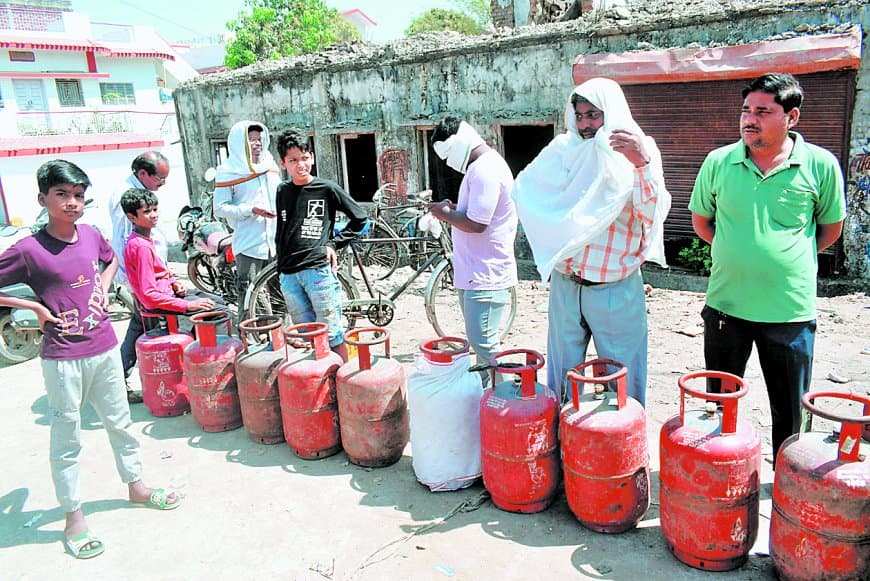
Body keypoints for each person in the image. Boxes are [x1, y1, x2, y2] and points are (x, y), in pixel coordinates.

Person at [0, 160, 180, 560]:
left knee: (121, 424)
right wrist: (32, 307)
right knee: (67, 440)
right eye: (61, 195)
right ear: (42, 199)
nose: (71, 203)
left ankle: (136, 486)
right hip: (63, 357)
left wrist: (100, 284)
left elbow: (110, 257)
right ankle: (73, 517)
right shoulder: (29, 250)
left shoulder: (91, 236)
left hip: (103, 349)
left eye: (78, 196)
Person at [689, 72, 845, 462]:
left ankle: (788, 483)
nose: (749, 119)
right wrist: (738, 250)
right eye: (745, 110)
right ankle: (722, 472)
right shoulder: (719, 162)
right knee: (721, 405)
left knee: (791, 413)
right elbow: (702, 223)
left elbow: (829, 230)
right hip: (727, 307)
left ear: (791, 118)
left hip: (789, 311)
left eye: (762, 111)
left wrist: (782, 257)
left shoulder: (820, 165)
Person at [512, 78, 671, 405]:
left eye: (593, 115)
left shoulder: (640, 151)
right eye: (580, 116)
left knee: (622, 378)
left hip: (614, 288)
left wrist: (641, 165)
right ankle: (563, 445)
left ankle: (625, 451)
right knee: (563, 378)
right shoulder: (562, 152)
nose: (585, 125)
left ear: (611, 112)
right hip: (566, 285)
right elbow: (525, 190)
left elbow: (651, 216)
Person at [428, 115, 518, 370]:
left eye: (445, 157)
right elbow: (475, 213)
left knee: (486, 347)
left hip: (486, 276)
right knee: (481, 346)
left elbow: (478, 224)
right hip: (475, 274)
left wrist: (443, 214)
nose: (447, 164)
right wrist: (453, 209)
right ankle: (489, 399)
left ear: (455, 145)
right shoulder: (480, 168)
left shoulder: (485, 170)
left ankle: (500, 400)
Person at [274, 128, 368, 361]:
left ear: (312, 158)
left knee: (333, 334)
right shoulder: (282, 191)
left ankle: (344, 382)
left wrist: (333, 244)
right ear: (283, 163)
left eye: (305, 158)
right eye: (293, 160)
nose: (300, 165)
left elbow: (360, 219)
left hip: (317, 271)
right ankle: (321, 386)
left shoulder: (326, 189)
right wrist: (281, 267)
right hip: (289, 275)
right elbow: (282, 230)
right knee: (308, 335)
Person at [107, 151, 171, 402]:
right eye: (159, 179)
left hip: (149, 277)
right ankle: (119, 382)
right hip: (141, 280)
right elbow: (126, 241)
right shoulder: (128, 197)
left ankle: (122, 380)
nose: (162, 184)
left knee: (144, 327)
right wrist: (140, 283)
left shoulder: (140, 192)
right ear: (143, 174)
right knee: (143, 329)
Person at [121, 188, 224, 317]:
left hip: (167, 293)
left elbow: (158, 275)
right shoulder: (141, 246)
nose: (154, 215)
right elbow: (149, 293)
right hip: (160, 302)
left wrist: (173, 283)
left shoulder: (142, 240)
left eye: (155, 209)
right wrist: (187, 305)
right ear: (132, 217)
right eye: (146, 212)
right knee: (220, 310)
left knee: (218, 300)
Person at [212, 120, 280, 313]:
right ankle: (248, 335)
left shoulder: (270, 165)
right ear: (238, 142)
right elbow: (220, 208)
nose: (257, 143)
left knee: (280, 291)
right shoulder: (227, 172)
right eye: (251, 140)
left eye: (259, 139)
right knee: (249, 291)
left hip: (275, 240)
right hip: (249, 242)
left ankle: (282, 334)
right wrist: (251, 209)